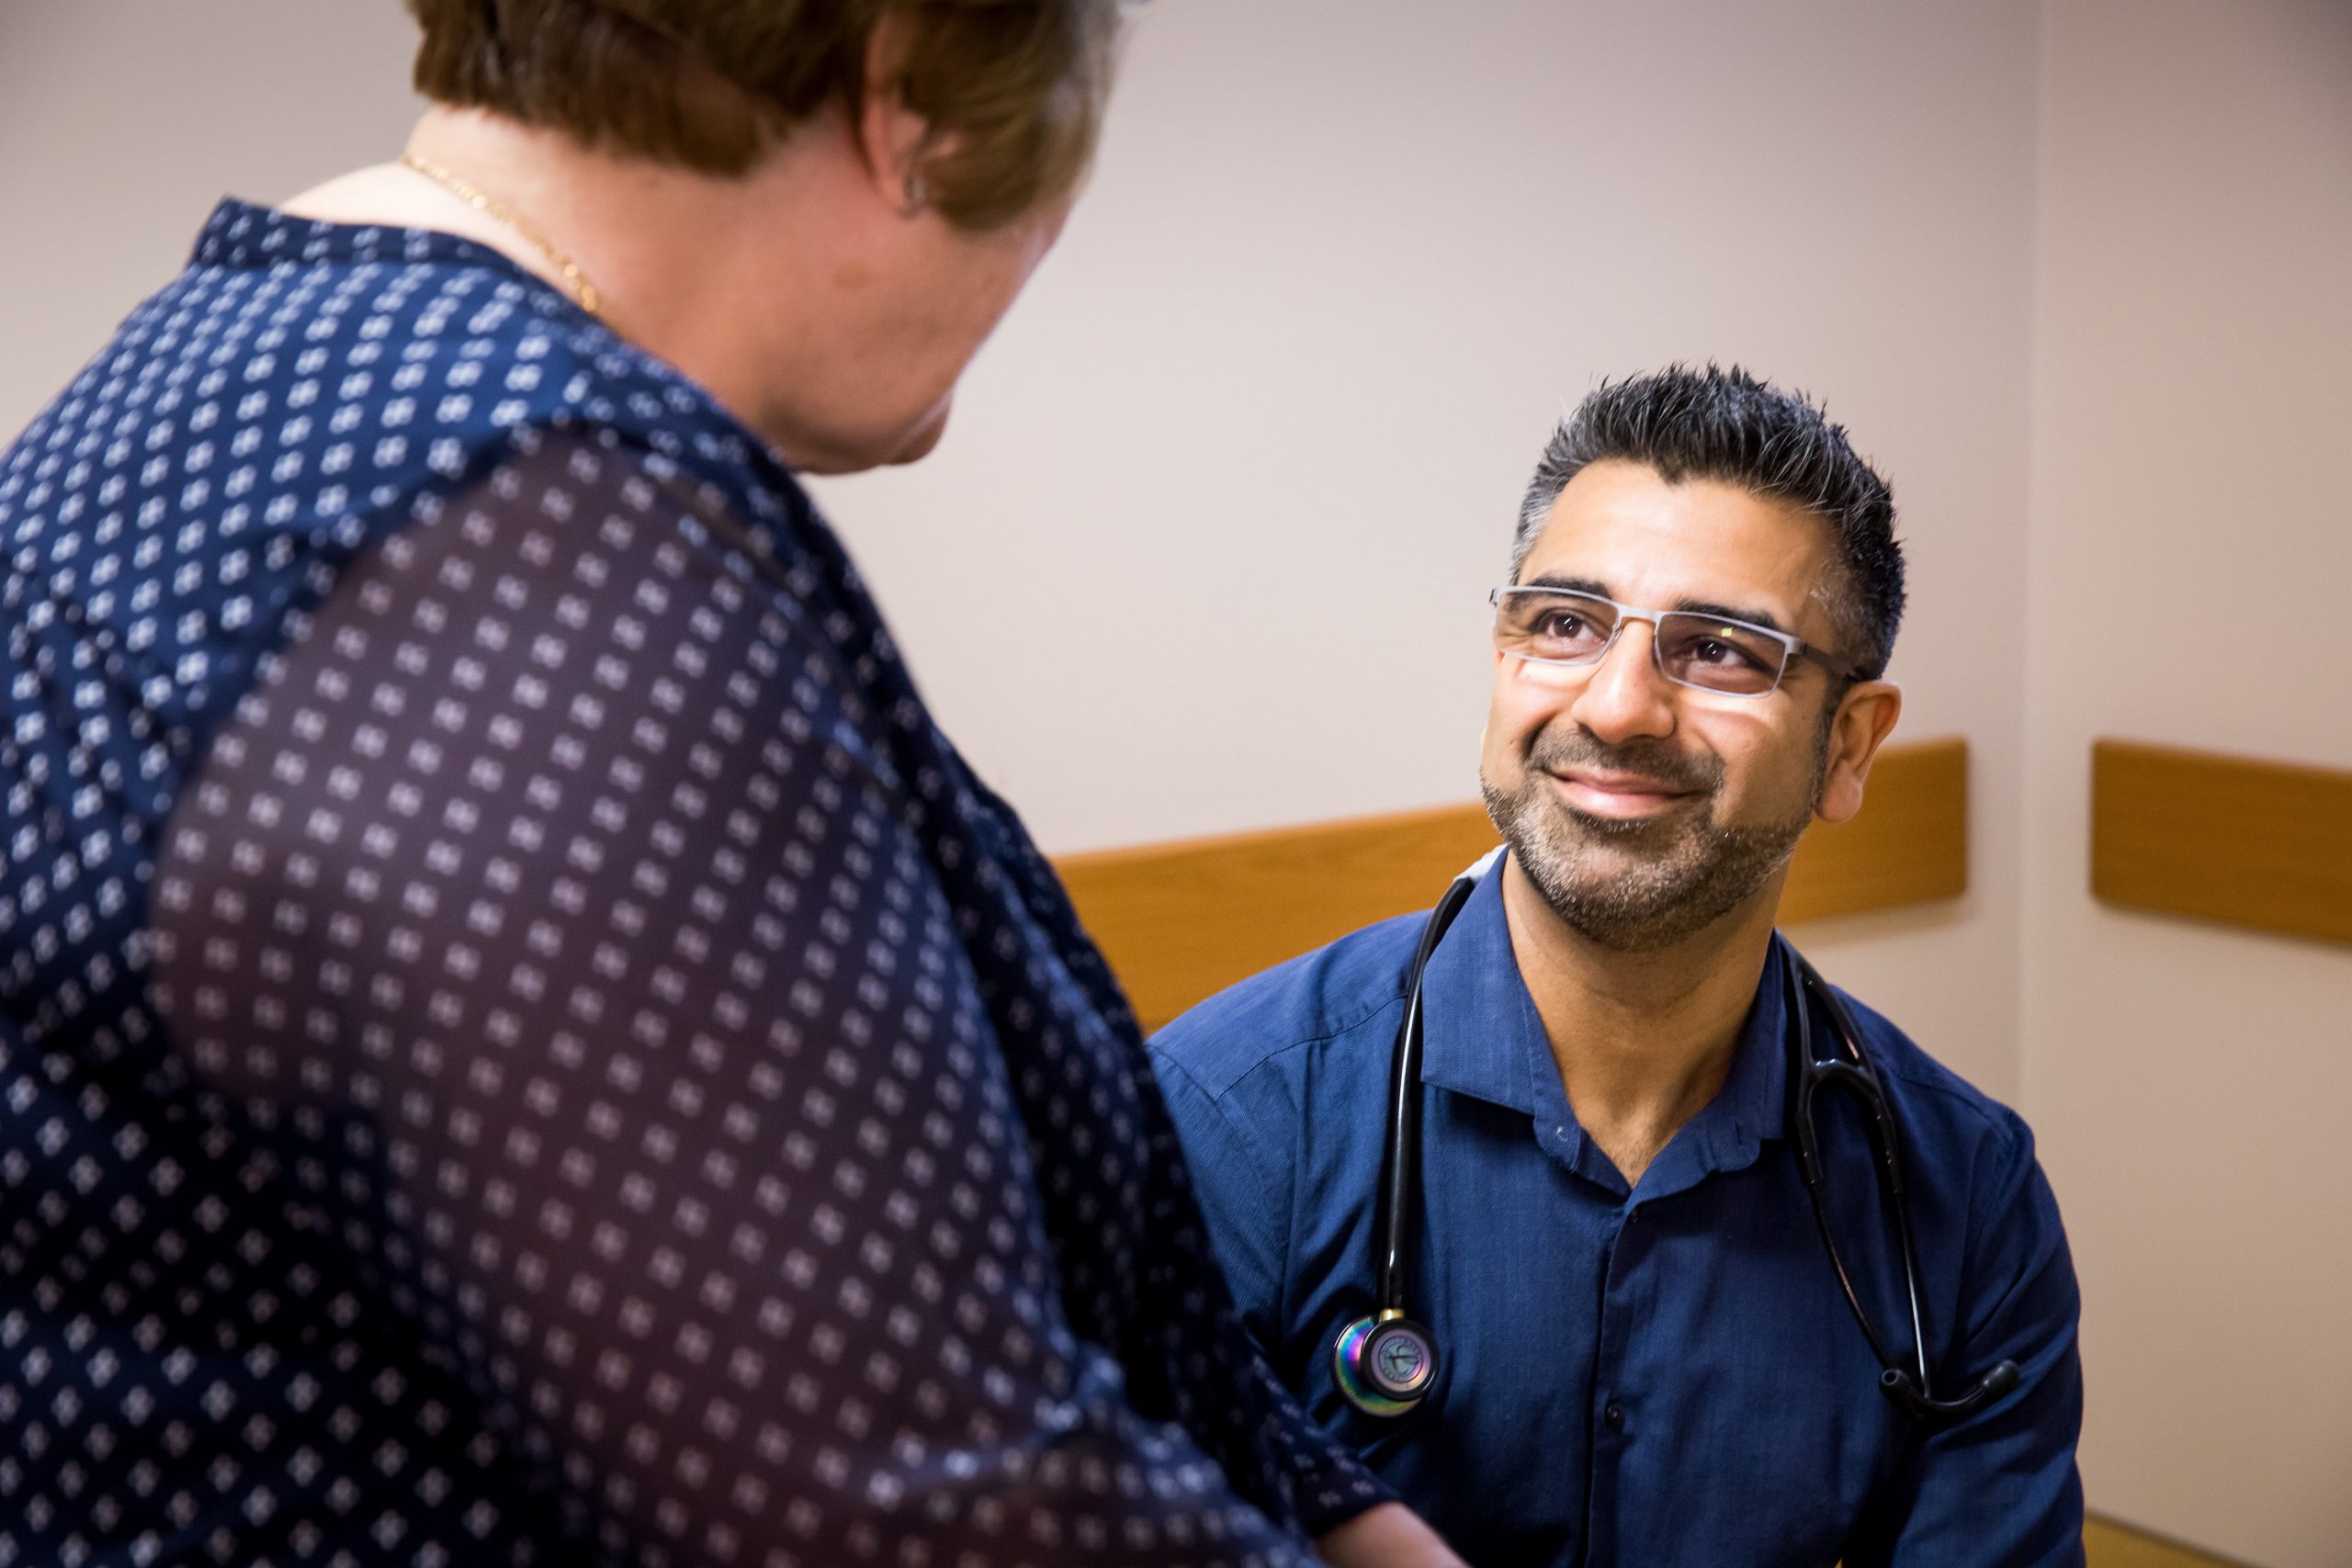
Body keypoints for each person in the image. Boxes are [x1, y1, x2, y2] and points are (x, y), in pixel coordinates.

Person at [0, 2, 1455, 1562]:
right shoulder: (522, 547)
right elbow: (906, 1495)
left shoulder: (196, 400)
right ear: (907, 94)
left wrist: (1343, 1513)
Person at [1150, 366, 2086, 1566]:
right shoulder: (1224, 1128)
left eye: (1721, 650)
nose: (1621, 703)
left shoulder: (1962, 1198)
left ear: (1847, 746)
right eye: (1563, 624)